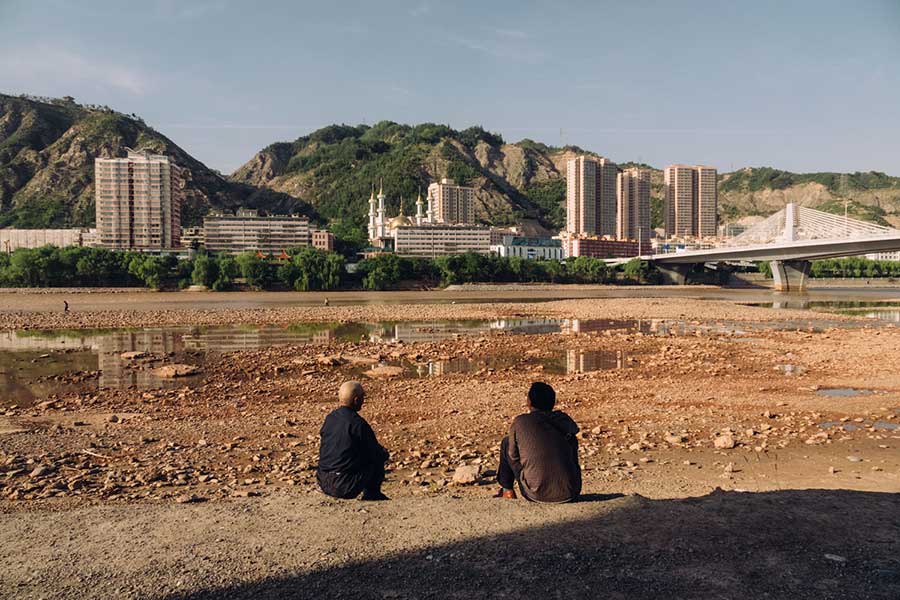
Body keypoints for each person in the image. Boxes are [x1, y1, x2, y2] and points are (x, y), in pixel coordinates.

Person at [495, 381, 581, 503]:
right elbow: (574, 430)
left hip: (535, 494)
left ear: (529, 402)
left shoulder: (521, 421)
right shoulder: (563, 419)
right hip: (571, 492)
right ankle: (565, 479)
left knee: (507, 442)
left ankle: (507, 490)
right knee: (571, 440)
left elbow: (513, 456)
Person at [317, 381, 389, 501]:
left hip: (323, 481)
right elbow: (374, 451)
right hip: (345, 485)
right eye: (362, 397)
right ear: (356, 400)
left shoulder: (330, 418)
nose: (363, 400)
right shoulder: (358, 424)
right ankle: (372, 494)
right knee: (377, 457)